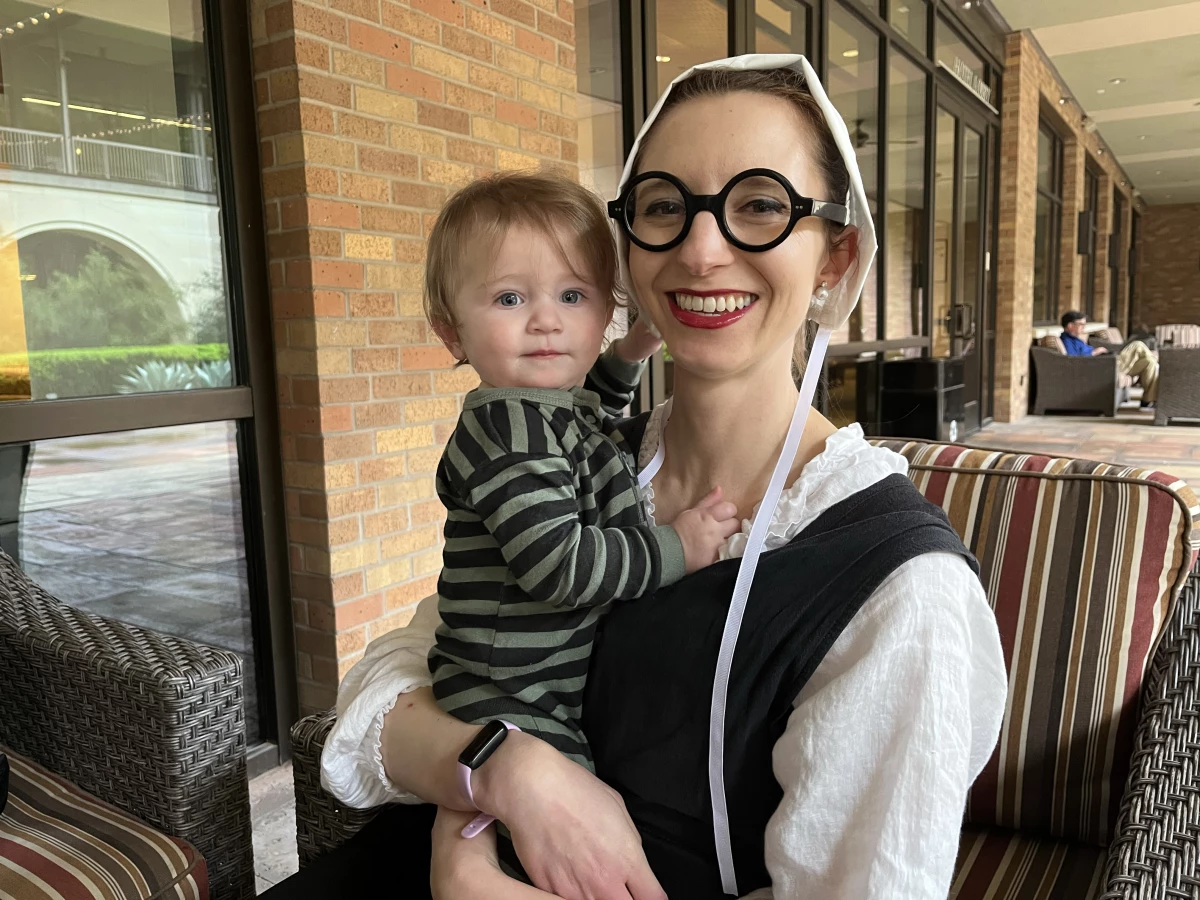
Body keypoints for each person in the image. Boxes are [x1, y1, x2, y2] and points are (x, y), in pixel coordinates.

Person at [264, 55, 1007, 900]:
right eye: (664, 208)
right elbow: (389, 681)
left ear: (836, 257)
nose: (700, 248)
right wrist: (504, 777)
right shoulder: (579, 446)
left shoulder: (899, 590)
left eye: (759, 205)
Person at [421, 173, 739, 824]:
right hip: (506, 694)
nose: (546, 321)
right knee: (576, 819)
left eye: (573, 295)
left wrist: (635, 349)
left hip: (539, 684)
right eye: (509, 298)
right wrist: (678, 544)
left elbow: (591, 412)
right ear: (452, 333)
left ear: (604, 310)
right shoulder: (507, 433)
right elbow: (559, 566)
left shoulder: (548, 410)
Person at [1060, 310, 1159, 408]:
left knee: (1149, 362)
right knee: (1137, 345)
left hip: (1105, 362)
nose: (1084, 327)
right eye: (1081, 324)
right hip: (1105, 367)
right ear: (1070, 325)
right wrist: (1093, 352)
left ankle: (1147, 400)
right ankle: (1161, 360)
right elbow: (1072, 360)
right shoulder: (1067, 341)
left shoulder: (1076, 339)